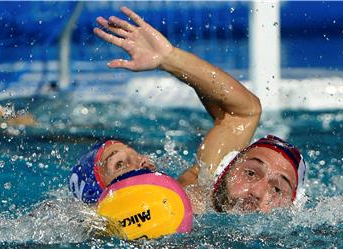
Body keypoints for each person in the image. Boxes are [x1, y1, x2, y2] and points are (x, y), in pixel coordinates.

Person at [70, 6, 307, 214]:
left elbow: (245, 111)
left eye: (278, 189)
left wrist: (169, 58)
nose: (144, 163)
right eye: (251, 174)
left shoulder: (191, 199)